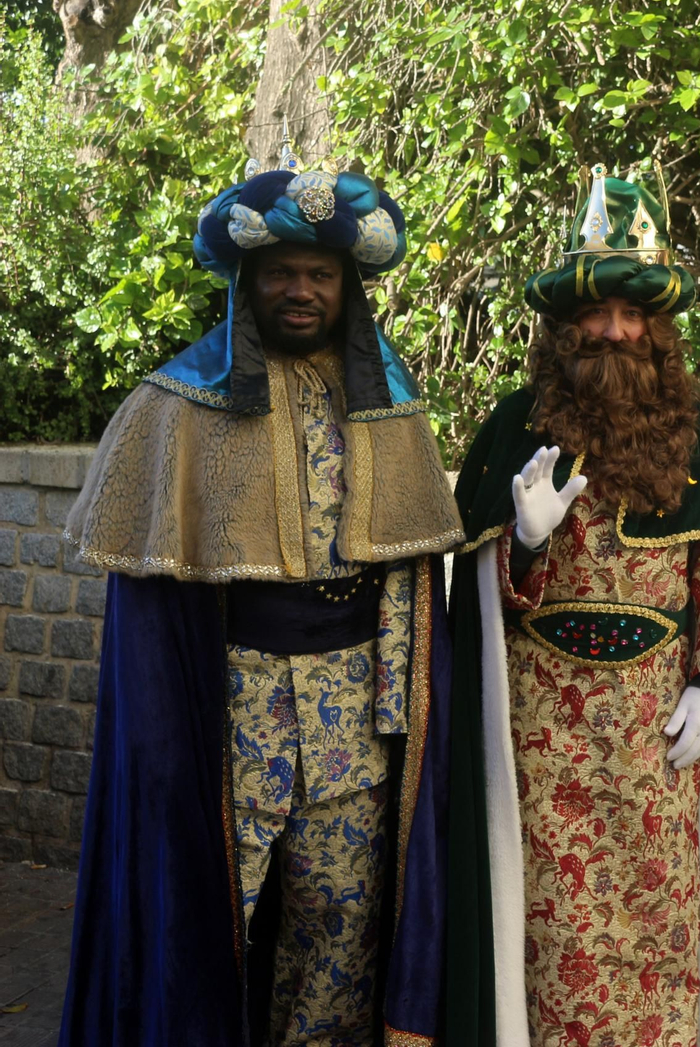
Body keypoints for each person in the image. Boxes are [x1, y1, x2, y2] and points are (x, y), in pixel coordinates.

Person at [57, 136, 462, 1046]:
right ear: (251, 279)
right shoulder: (176, 405)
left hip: (353, 726)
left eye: (318, 273)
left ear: (345, 286)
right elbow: (149, 597)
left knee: (339, 931)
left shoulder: (387, 407)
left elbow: (412, 577)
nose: (301, 290)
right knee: (209, 925)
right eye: (281, 271)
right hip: (229, 723)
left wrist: (401, 705)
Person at [445, 163, 700, 1047]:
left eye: (633, 315)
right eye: (597, 313)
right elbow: (465, 586)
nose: (614, 331)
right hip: (544, 721)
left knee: (657, 902)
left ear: (657, 329)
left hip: (656, 711)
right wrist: (523, 540)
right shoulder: (512, 424)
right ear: (564, 325)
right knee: (552, 917)